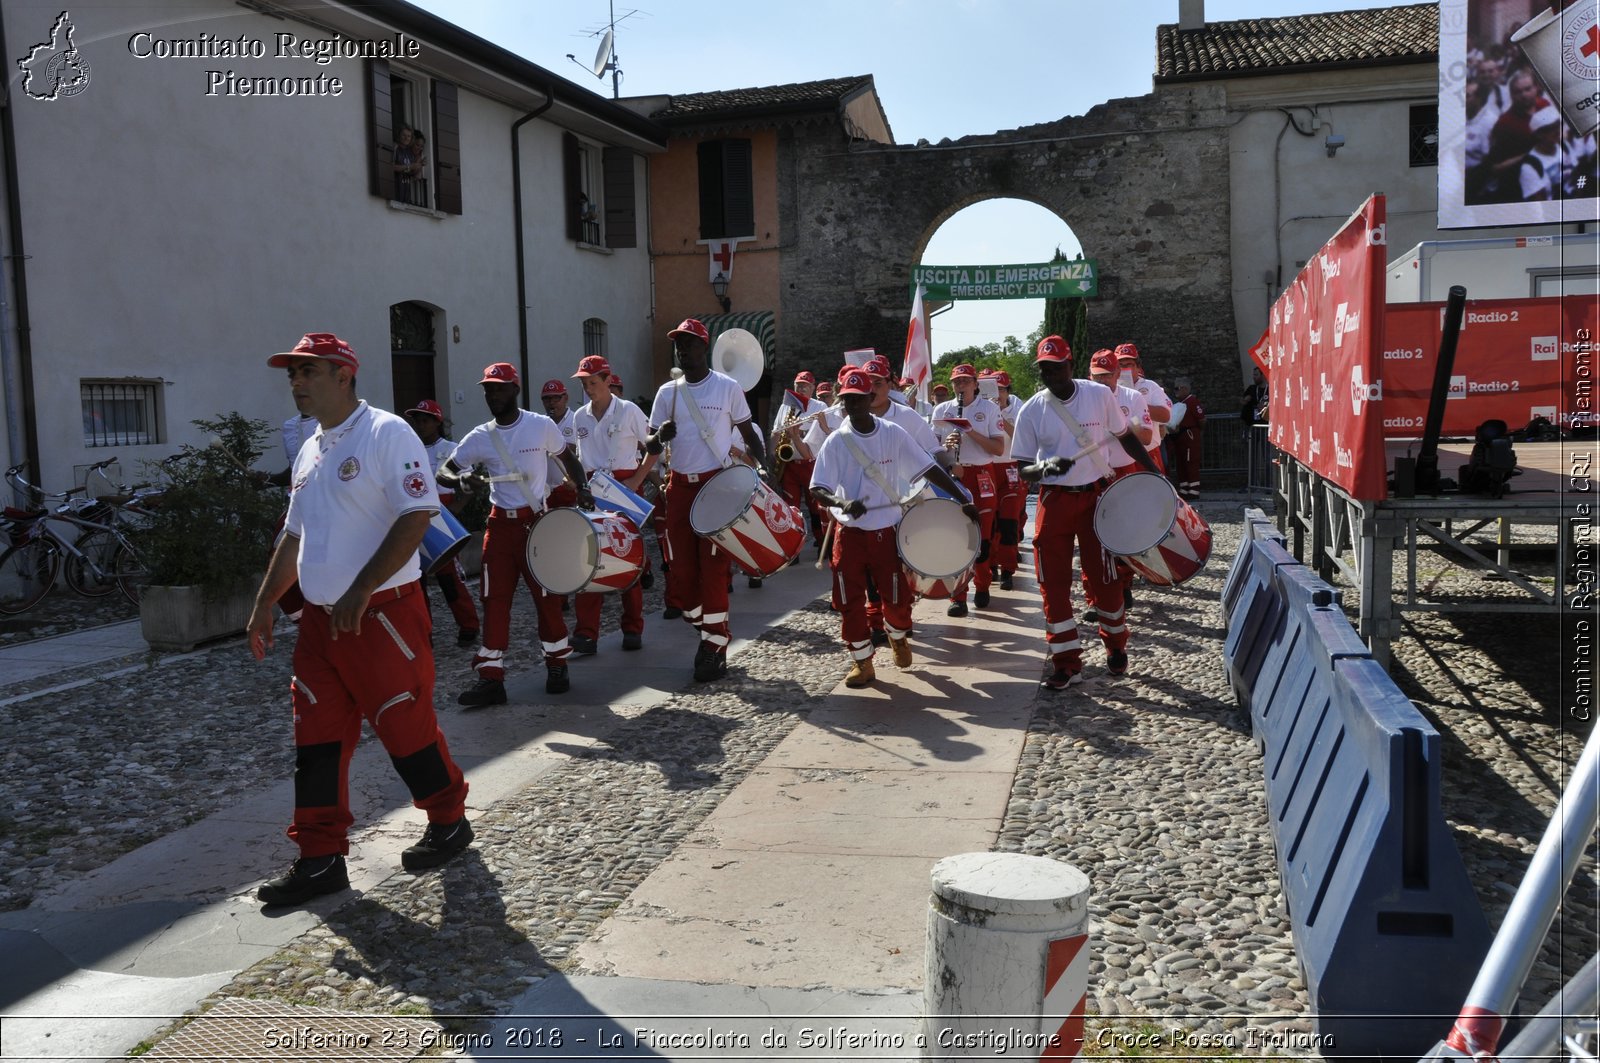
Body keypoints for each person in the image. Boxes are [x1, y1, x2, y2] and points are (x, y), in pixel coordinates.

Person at [245, 332, 472, 907]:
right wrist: (265, 603)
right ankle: (320, 858)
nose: (295, 382)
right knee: (316, 741)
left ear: (344, 374)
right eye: (291, 373)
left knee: (404, 728)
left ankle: (447, 819)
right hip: (321, 626)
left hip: (381, 617)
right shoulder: (310, 447)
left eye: (307, 371)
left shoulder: (386, 432)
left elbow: (418, 514)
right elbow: (294, 535)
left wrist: (363, 587)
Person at [810, 369, 978, 687]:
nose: (852, 406)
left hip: (886, 530)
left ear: (870, 399)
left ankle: (898, 635)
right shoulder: (835, 442)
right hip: (849, 534)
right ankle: (862, 661)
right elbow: (818, 487)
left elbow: (929, 468)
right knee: (849, 600)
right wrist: (840, 503)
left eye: (858, 400)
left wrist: (962, 497)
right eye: (846, 401)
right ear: (841, 402)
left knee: (897, 597)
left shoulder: (892, 433)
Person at [438, 362, 592, 706]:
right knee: (494, 600)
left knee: (546, 598)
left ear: (515, 390)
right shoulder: (480, 436)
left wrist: (582, 487)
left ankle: (556, 663)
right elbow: (445, 471)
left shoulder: (540, 426)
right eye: (488, 389)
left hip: (536, 524)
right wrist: (460, 480)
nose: (492, 394)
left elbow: (567, 457)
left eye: (499, 388)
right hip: (500, 528)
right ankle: (491, 677)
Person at [1013, 335, 1159, 690]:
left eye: (1057, 367)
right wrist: (1045, 468)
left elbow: (1124, 436)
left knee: (1105, 579)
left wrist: (1153, 473)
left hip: (1096, 498)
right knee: (1052, 582)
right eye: (1045, 368)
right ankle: (1066, 662)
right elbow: (1022, 468)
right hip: (1055, 501)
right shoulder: (1032, 409)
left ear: (1070, 364)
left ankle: (1115, 644)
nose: (1051, 374)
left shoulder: (1098, 395)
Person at [643, 318, 767, 682]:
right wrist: (659, 437)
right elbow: (650, 445)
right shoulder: (668, 392)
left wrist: (765, 468)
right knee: (680, 574)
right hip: (679, 488)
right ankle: (710, 632)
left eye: (689, 342)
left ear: (704, 347)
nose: (682, 349)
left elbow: (749, 433)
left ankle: (713, 648)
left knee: (712, 571)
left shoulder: (727, 387)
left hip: (717, 487)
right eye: (678, 343)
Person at [570, 354, 655, 654]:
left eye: (593, 382)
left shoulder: (629, 410)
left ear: (608, 380)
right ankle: (586, 633)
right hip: (593, 490)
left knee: (626, 555)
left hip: (623, 487)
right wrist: (579, 486)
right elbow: (577, 458)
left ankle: (632, 627)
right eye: (584, 384)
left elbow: (654, 447)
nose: (588, 389)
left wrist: (637, 480)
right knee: (588, 559)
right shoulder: (579, 416)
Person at [404, 399, 480, 647]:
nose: (420, 425)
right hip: (415, 513)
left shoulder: (451, 449)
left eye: (425, 420)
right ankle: (423, 630)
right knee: (416, 579)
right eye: (417, 421)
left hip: (441, 515)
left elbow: (468, 483)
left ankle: (468, 625)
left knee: (449, 578)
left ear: (437, 422)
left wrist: (456, 508)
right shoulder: (408, 449)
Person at [929, 363, 1004, 617]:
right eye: (956, 382)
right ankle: (958, 595)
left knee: (981, 535)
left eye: (965, 381)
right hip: (954, 474)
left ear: (975, 383)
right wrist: (946, 445)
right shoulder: (942, 409)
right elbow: (932, 448)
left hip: (981, 473)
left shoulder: (989, 409)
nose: (960, 386)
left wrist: (970, 432)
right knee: (956, 535)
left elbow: (998, 449)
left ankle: (982, 583)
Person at [773, 370, 829, 553]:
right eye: (799, 384)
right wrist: (775, 450)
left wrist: (796, 435)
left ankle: (822, 544)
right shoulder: (786, 406)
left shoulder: (819, 406)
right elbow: (775, 432)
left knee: (815, 507)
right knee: (790, 509)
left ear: (813, 387)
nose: (802, 388)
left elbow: (813, 445)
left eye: (805, 385)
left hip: (810, 464)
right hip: (789, 464)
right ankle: (792, 550)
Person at [988, 370, 1025, 590]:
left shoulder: (1017, 409)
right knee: (991, 521)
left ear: (1007, 391)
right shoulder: (982, 408)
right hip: (989, 468)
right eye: (994, 390)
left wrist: (1000, 416)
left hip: (1010, 467)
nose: (998, 394)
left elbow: (1020, 436)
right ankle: (990, 565)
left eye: (1001, 390)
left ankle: (1008, 570)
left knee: (1009, 521)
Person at [1114, 343, 1170, 472]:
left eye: (1129, 364)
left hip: (1148, 452)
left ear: (1138, 367)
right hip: (1121, 455)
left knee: (1153, 490)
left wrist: (1136, 402)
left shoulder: (1150, 386)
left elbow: (1165, 416)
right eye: (1120, 365)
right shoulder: (1109, 389)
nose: (1124, 369)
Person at [1168, 377, 1205, 501]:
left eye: (1177, 388)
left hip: (1190, 436)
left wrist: (1196, 430)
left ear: (1184, 389)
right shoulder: (1181, 403)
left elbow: (1201, 419)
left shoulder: (1192, 401)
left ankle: (1193, 491)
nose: (1175, 391)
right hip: (1180, 437)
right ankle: (1184, 489)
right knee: (1181, 463)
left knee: (1191, 463)